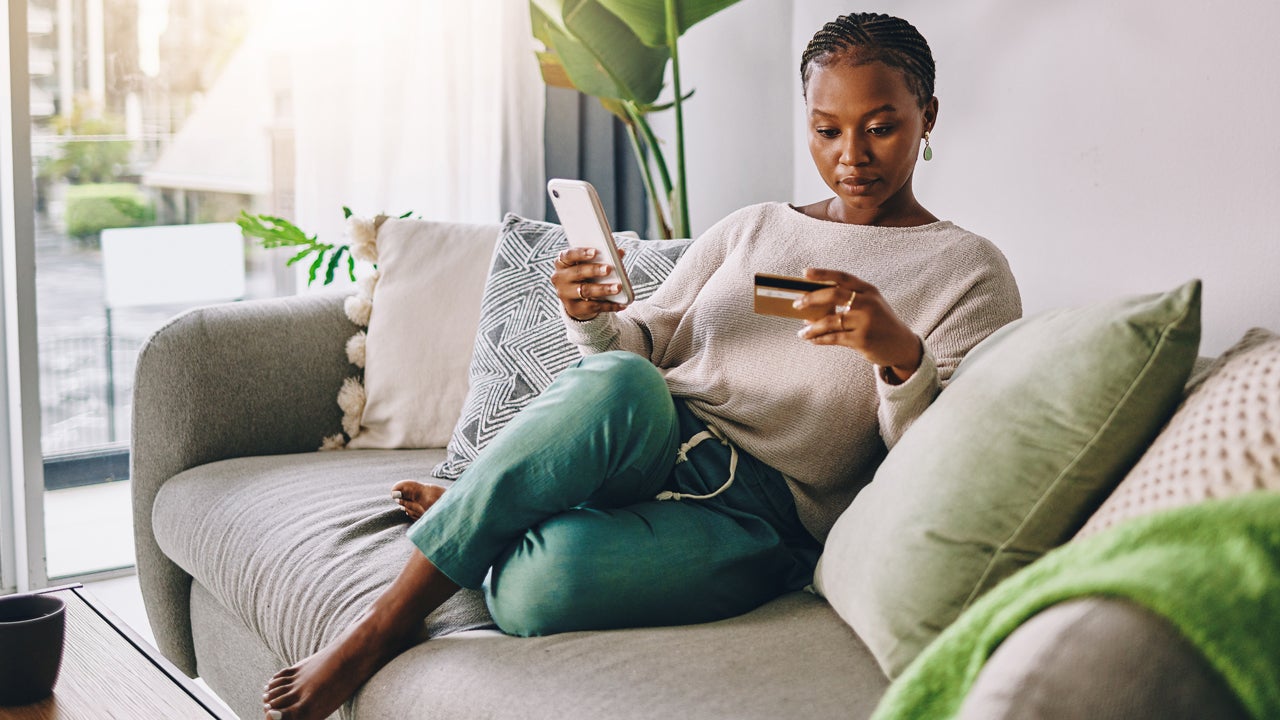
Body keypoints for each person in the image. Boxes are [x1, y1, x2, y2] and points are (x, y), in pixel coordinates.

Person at [263, 12, 1021, 720]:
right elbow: (639, 351)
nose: (850, 157)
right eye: (827, 130)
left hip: (761, 519)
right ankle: (379, 628)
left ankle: (494, 506)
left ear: (928, 116)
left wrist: (898, 356)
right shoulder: (754, 228)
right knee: (624, 379)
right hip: (654, 430)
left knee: (535, 593)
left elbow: (934, 467)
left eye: (881, 127)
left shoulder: (968, 271)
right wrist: (590, 316)